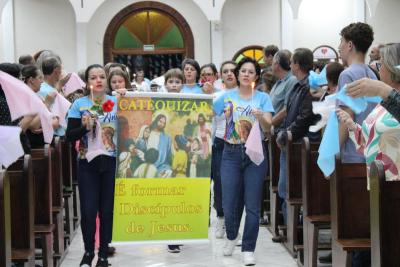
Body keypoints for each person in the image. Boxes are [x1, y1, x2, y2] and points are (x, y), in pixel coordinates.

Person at [214, 57, 274, 266]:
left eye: (251, 71)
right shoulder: (225, 97)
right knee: (228, 204)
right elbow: (204, 113)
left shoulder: (263, 98)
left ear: (256, 76)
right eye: (243, 71)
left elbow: (268, 128)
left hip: (255, 154)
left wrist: (262, 117)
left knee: (253, 206)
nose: (246, 74)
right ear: (238, 75)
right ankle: (232, 236)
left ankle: (248, 248)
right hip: (229, 153)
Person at [66, 64, 117, 267]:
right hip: (87, 163)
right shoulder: (79, 104)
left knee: (107, 211)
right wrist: (83, 127)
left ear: (106, 80)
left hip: (111, 162)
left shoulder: (116, 102)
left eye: (102, 77)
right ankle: (88, 252)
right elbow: (69, 135)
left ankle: (103, 254)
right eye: (93, 77)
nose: (98, 80)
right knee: (88, 211)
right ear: (88, 82)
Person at [337, 43, 400, 187]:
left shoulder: (388, 97)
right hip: (378, 181)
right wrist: (353, 128)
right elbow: (372, 140)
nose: (379, 69)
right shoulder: (384, 102)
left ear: (392, 68)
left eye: (381, 64)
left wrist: (383, 90)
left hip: (395, 182)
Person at [275, 48, 320, 233]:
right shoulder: (298, 85)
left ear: (298, 65)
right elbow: (290, 111)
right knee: (285, 188)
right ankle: (290, 230)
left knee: (290, 189)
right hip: (292, 142)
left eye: (292, 61)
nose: (290, 64)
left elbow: (304, 116)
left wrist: (289, 133)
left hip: (300, 144)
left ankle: (295, 233)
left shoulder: (309, 85)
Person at [211, 60, 238, 239]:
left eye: (232, 71)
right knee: (220, 186)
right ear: (221, 75)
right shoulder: (217, 97)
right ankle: (221, 218)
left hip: (239, 144)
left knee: (235, 188)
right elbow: (211, 121)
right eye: (225, 71)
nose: (229, 73)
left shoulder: (246, 95)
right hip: (220, 144)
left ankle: (233, 227)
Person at [269, 49, 298, 128]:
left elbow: (286, 110)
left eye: (272, 62)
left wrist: (268, 124)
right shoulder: (279, 82)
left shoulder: (292, 80)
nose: (270, 66)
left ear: (276, 64)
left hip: (279, 131)